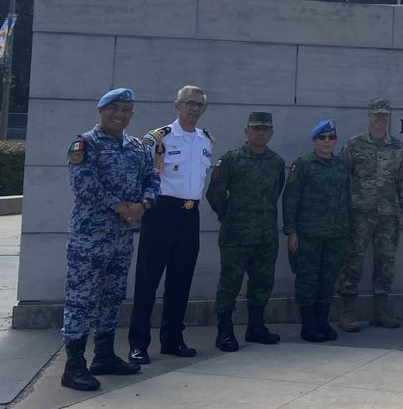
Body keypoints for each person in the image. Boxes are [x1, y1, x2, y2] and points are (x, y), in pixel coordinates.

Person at [61, 88, 159, 391]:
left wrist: (144, 205)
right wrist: (122, 207)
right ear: (100, 110)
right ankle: (74, 365)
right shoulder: (85, 144)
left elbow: (152, 178)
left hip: (122, 237)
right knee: (81, 299)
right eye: (113, 109)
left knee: (112, 296)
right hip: (89, 237)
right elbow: (84, 185)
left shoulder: (137, 147)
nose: (119, 115)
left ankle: (104, 355)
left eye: (126, 109)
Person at [127, 86, 214, 364]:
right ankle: (138, 344)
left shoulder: (206, 140)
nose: (195, 109)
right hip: (161, 213)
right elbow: (138, 174)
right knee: (147, 282)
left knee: (181, 282)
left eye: (200, 104)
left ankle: (173, 340)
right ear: (177, 105)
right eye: (189, 103)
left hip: (190, 215)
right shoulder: (158, 138)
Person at [205, 111, 286, 352]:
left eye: (265, 129)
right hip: (235, 235)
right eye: (255, 128)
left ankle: (256, 327)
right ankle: (225, 330)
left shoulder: (276, 162)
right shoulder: (231, 160)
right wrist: (228, 217)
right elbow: (215, 193)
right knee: (230, 283)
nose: (260, 133)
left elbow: (276, 191)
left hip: (265, 235)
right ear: (246, 132)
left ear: (271, 133)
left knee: (262, 282)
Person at [336, 98, 403, 330]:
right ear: (368, 115)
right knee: (353, 262)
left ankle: (380, 312)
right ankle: (347, 313)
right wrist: (342, 210)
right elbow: (341, 179)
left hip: (388, 215)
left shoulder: (397, 147)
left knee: (385, 263)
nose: (381, 119)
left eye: (384, 115)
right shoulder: (354, 145)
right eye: (376, 114)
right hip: (359, 214)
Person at [283, 119, 352, 343]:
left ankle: (322, 321)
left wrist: (347, 228)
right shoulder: (303, 165)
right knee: (308, 279)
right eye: (322, 138)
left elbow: (347, 199)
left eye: (331, 137)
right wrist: (291, 231)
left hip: (335, 234)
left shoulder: (341, 165)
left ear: (335, 141)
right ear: (314, 141)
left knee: (328, 278)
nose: (326, 141)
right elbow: (290, 199)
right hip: (308, 234)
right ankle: (308, 324)